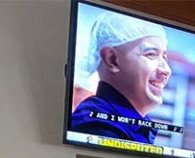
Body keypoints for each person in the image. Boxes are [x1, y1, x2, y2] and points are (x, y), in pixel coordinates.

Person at [70, 11, 171, 144]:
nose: (166, 70)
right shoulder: (98, 126)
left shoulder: (134, 125)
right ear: (112, 60)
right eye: (151, 54)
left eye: (164, 57)